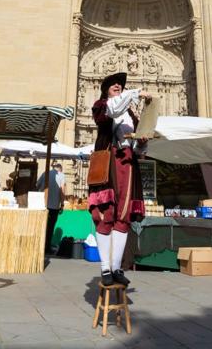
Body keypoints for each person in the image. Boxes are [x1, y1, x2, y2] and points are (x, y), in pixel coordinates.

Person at [89, 72, 149, 287]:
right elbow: (112, 110)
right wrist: (135, 93)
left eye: (120, 85)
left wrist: (142, 141)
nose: (118, 86)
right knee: (106, 213)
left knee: (123, 217)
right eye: (113, 84)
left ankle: (116, 267)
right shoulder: (101, 106)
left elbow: (139, 148)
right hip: (108, 161)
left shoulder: (131, 115)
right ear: (105, 89)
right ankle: (105, 267)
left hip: (128, 164)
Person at [36, 162, 66, 253]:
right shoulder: (61, 175)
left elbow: (37, 186)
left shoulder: (45, 173)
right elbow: (62, 191)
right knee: (50, 228)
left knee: (42, 226)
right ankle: (47, 248)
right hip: (54, 206)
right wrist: (62, 204)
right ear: (60, 169)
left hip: (43, 205)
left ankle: (40, 246)